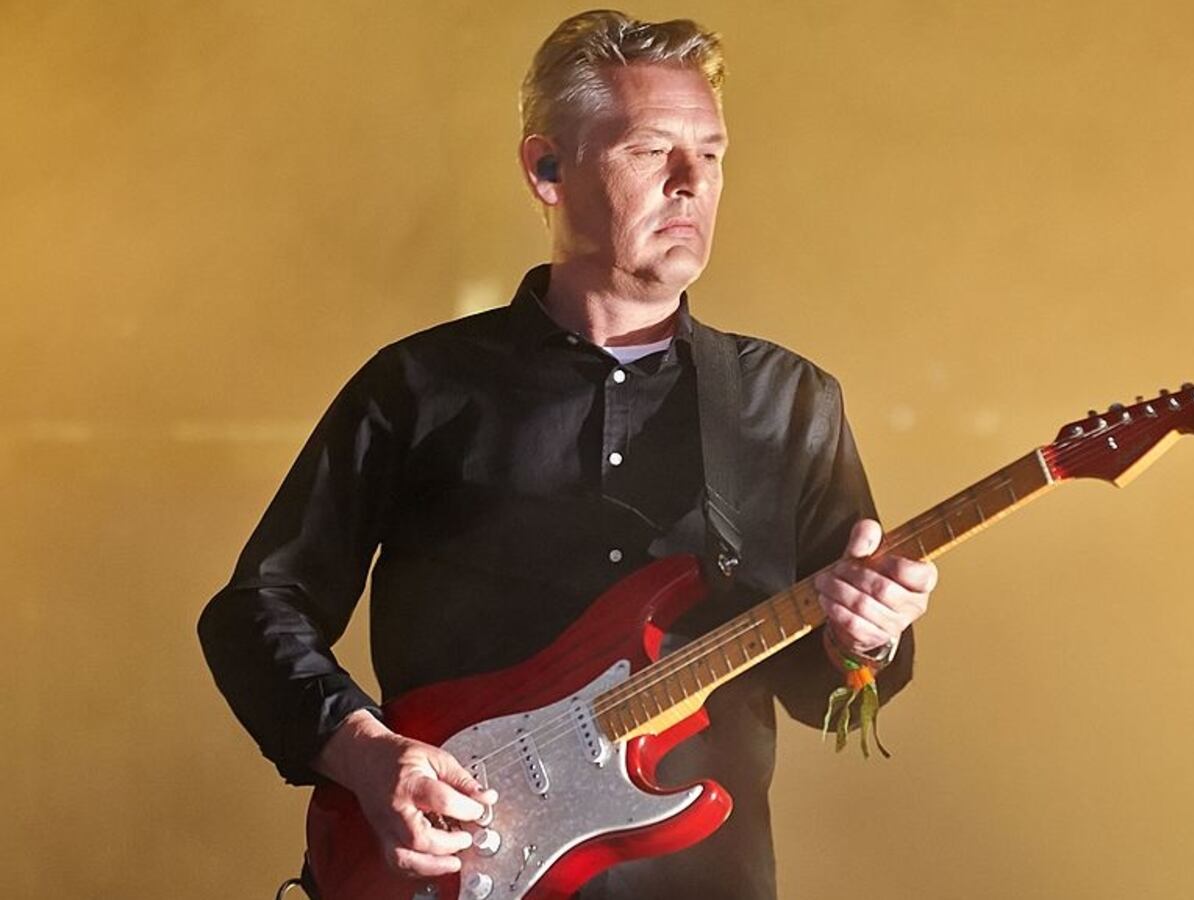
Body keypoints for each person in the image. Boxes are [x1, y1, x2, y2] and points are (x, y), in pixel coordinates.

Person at [198, 10, 937, 900]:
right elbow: (256, 609)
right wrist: (363, 753)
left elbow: (827, 694)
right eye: (650, 151)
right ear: (546, 169)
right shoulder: (421, 386)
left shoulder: (787, 401)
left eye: (711, 154)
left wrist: (868, 642)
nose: (689, 183)